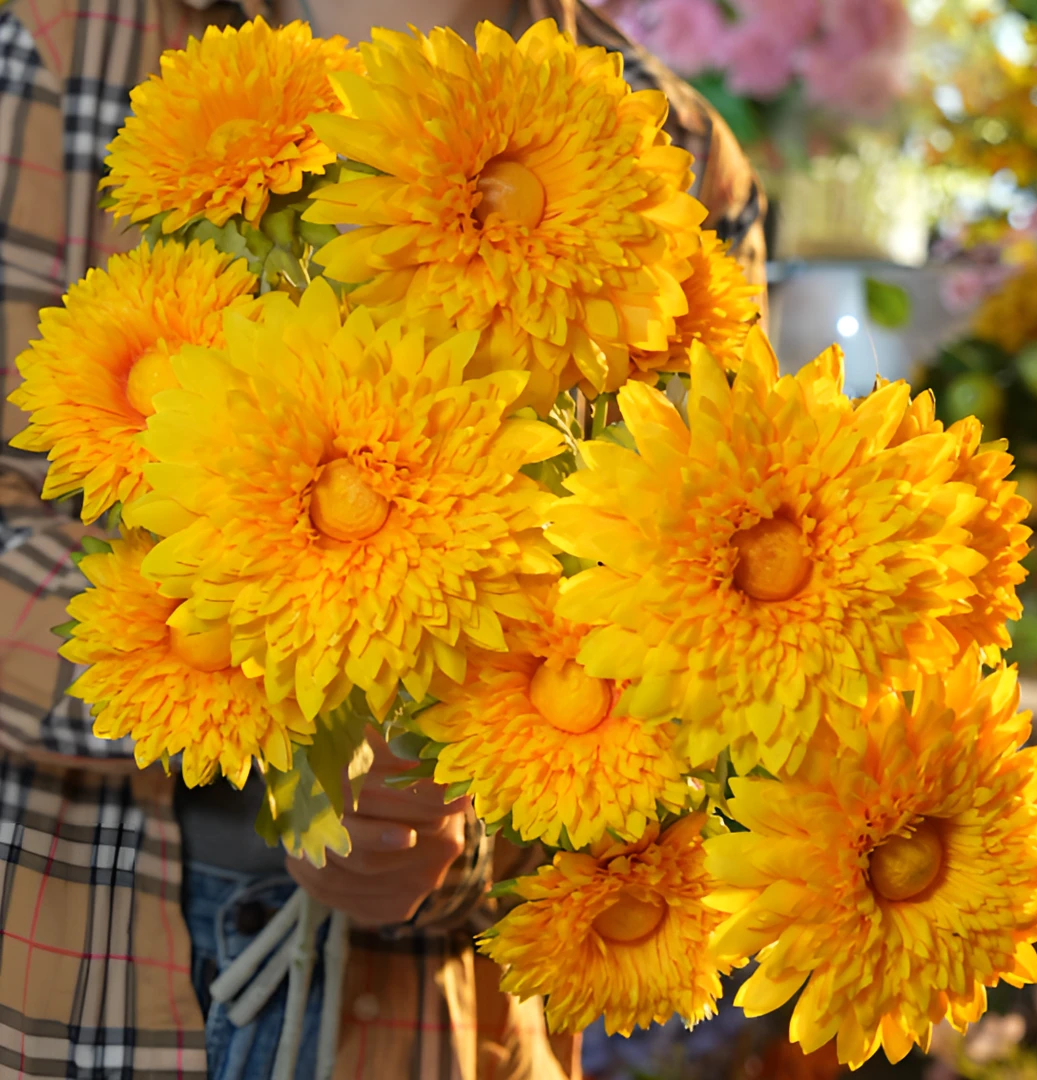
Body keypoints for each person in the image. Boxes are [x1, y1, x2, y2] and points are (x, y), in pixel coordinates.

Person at [0, 0, 767, 1075]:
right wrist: (266, 707)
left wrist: (437, 828)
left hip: (443, 1018)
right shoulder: (61, 47)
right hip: (92, 961)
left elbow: (691, 637)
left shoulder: (671, 145)